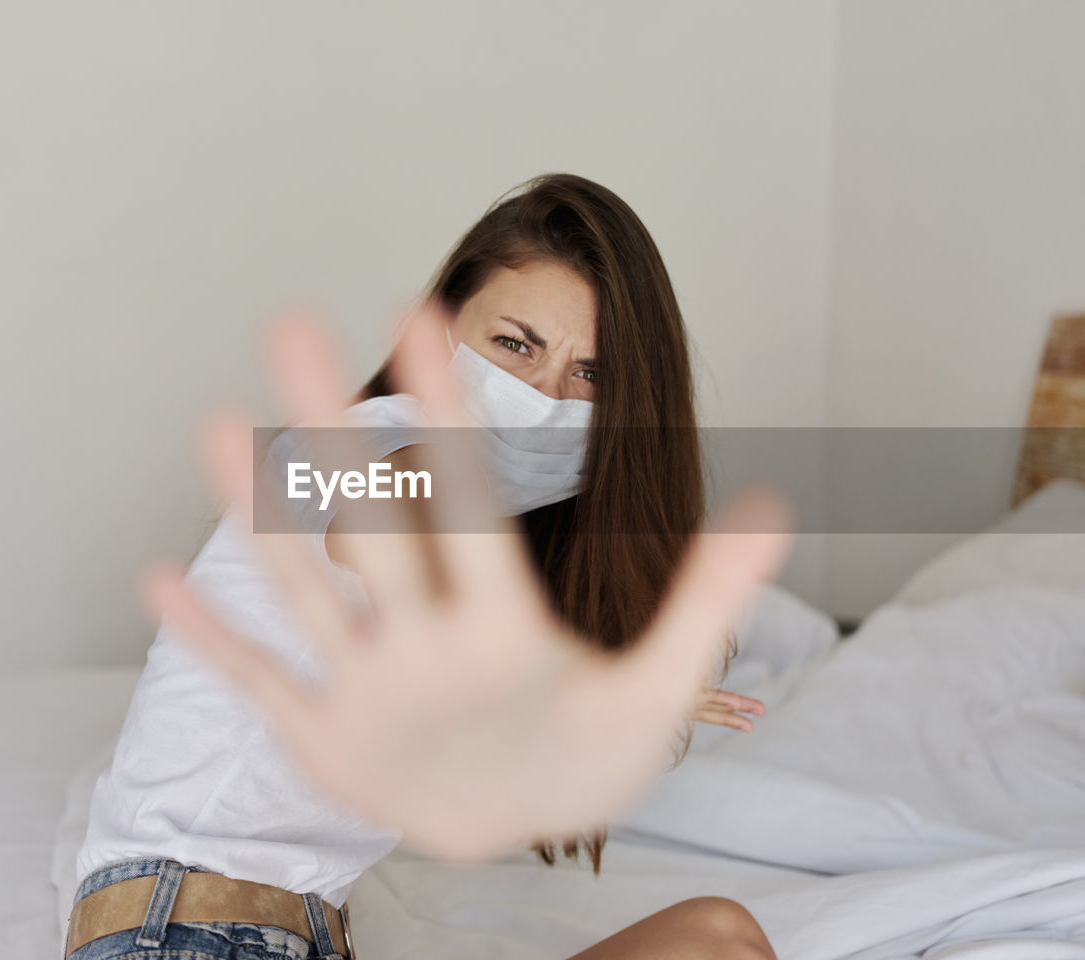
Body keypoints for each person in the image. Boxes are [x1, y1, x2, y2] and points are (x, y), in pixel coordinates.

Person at [67, 173, 792, 960]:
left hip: (294, 936)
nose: (545, 396)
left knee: (716, 939)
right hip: (180, 934)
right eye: (515, 345)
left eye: (590, 375)